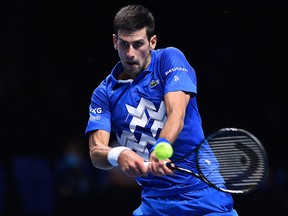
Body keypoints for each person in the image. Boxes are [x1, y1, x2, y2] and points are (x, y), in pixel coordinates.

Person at [85, 4, 238, 216]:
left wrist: (162, 147)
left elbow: (177, 112)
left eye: (138, 44)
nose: (130, 53)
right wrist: (118, 154)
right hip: (154, 203)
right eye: (124, 44)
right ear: (114, 41)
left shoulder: (169, 59)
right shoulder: (103, 94)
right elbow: (96, 152)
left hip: (203, 197)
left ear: (152, 42)